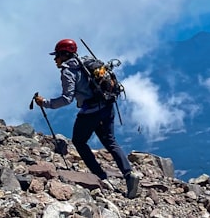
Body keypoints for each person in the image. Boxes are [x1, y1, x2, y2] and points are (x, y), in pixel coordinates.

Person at [33, 38, 140, 199]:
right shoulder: (88, 62)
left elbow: (67, 98)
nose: (55, 59)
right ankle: (128, 174)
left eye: (57, 56)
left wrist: (45, 103)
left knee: (78, 141)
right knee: (110, 141)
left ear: (64, 54)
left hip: (90, 112)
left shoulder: (68, 72)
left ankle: (101, 176)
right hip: (107, 105)